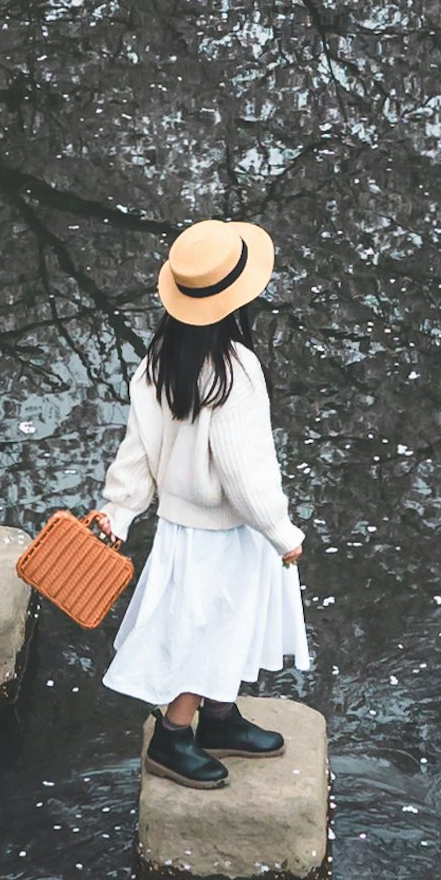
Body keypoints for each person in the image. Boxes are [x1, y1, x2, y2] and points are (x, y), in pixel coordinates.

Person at [94, 217, 310, 787]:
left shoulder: (157, 363)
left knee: (206, 624)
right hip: (229, 531)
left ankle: (218, 716)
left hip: (179, 529)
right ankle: (174, 734)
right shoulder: (237, 370)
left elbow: (137, 452)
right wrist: (282, 533)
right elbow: (246, 470)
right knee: (210, 630)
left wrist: (117, 512)